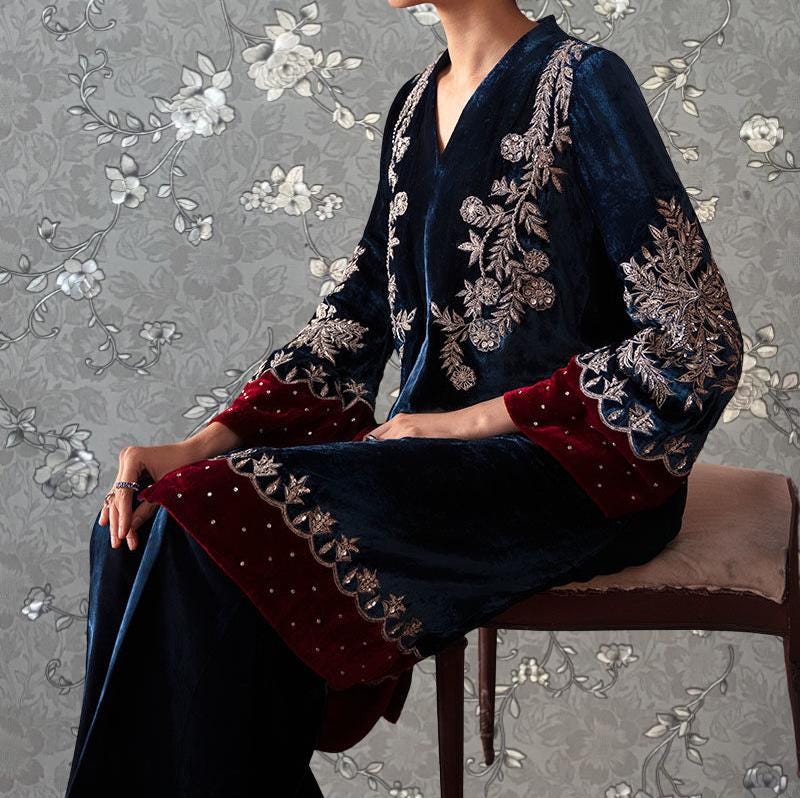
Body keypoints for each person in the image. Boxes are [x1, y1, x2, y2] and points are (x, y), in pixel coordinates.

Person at [64, 2, 744, 796]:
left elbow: (697, 336)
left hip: (573, 469)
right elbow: (361, 309)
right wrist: (205, 441)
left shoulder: (584, 84)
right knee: (144, 520)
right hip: (430, 462)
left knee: (211, 515)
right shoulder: (415, 103)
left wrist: (470, 423)